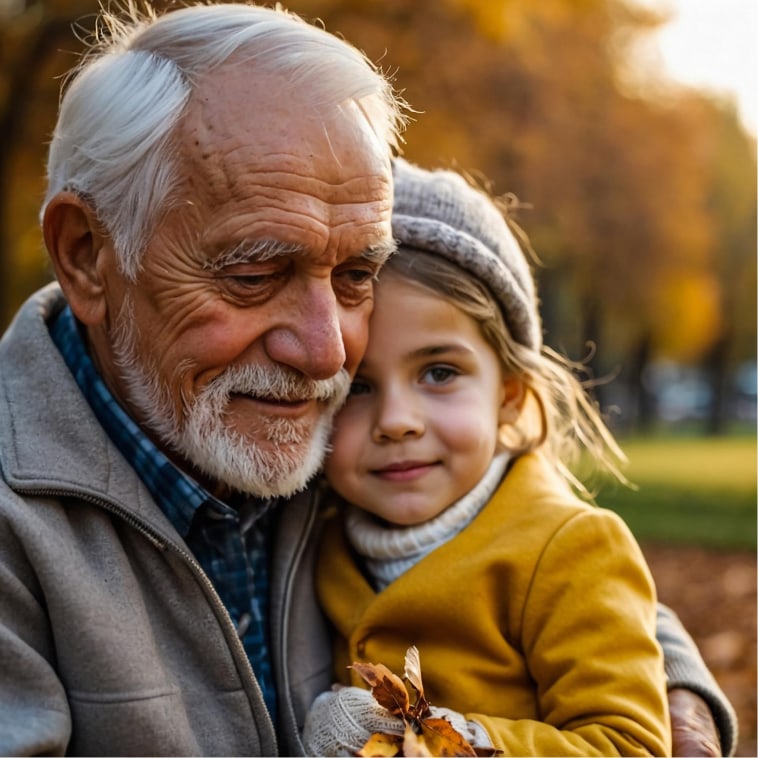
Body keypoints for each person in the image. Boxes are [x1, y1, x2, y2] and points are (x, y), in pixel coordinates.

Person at [0, 2, 734, 756]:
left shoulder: (338, 450)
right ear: (88, 253)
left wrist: (674, 692)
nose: (327, 357)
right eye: (254, 274)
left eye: (357, 275)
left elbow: (564, 570)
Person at [303, 159, 739, 757]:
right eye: (358, 386)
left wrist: (438, 740)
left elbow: (628, 744)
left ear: (508, 394)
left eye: (439, 372)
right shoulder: (317, 528)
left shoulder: (569, 550)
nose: (398, 420)